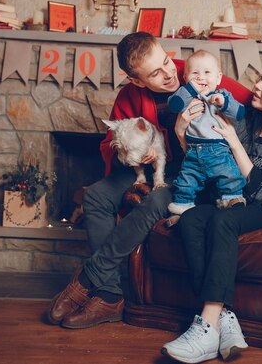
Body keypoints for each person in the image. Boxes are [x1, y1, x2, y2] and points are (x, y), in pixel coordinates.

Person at [47, 32, 250, 329]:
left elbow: (250, 100)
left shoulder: (193, 70)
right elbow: (109, 145)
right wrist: (129, 153)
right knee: (95, 196)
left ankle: (91, 276)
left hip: (192, 173)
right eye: (156, 72)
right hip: (148, 169)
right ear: (137, 81)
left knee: (157, 199)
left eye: (167, 61)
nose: (169, 73)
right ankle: (109, 293)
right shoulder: (129, 96)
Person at [161, 57, 262, 363]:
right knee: (189, 218)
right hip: (231, 204)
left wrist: (234, 143)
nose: (256, 86)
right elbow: (205, 162)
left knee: (223, 220)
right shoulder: (244, 121)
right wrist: (181, 134)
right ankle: (224, 319)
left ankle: (206, 323)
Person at [167, 50, 246, 215]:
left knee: (229, 175)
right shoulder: (185, 96)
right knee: (185, 181)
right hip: (193, 152)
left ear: (218, 78)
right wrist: (189, 89)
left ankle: (232, 199)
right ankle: (181, 207)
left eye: (207, 73)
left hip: (218, 150)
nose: (201, 78)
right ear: (186, 78)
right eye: (195, 73)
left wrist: (224, 103)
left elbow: (239, 113)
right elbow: (174, 105)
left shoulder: (222, 95)